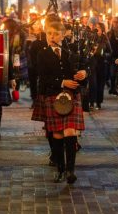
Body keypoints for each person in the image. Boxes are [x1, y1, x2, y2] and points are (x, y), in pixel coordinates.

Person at [36, 21, 87, 183]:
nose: (52, 36)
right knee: (57, 133)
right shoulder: (42, 54)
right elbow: (42, 78)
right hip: (53, 95)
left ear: (63, 35)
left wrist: (84, 73)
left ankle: (70, 171)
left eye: (56, 33)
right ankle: (60, 169)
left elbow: (85, 66)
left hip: (72, 95)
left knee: (70, 131)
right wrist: (62, 82)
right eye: (49, 33)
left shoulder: (70, 51)